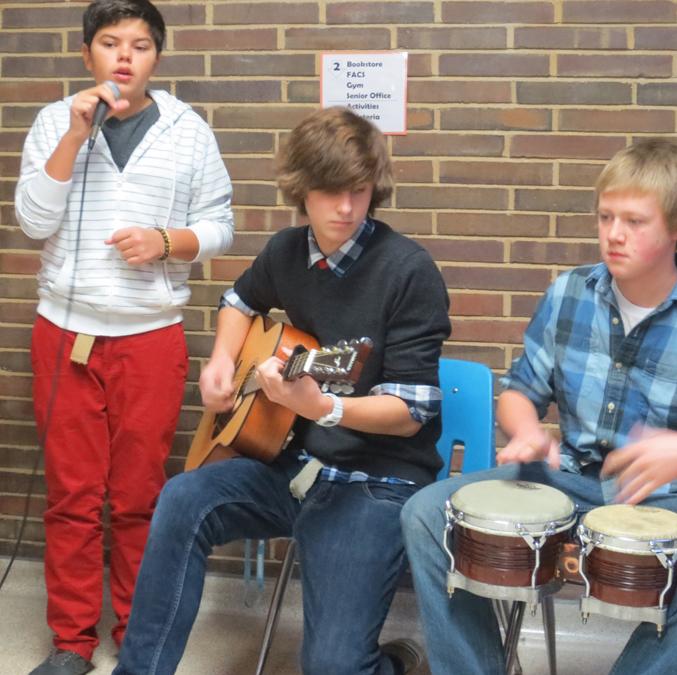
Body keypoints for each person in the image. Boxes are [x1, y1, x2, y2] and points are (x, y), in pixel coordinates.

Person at [112, 106, 451, 675]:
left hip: (378, 481)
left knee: (332, 667)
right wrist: (221, 363)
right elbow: (239, 302)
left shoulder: (409, 271)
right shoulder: (287, 250)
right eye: (329, 191)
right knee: (183, 497)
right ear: (302, 191)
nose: (345, 207)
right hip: (295, 464)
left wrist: (325, 407)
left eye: (360, 191)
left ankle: (390, 664)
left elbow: (412, 413)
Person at [400, 137, 677, 675]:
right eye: (605, 217)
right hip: (565, 477)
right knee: (428, 515)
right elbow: (522, 389)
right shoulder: (569, 293)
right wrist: (524, 426)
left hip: (661, 498)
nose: (613, 234)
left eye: (635, 221)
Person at [15, 1, 234, 673]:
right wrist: (75, 136)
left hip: (150, 338)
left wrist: (169, 241)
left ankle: (137, 632)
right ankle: (71, 642)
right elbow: (31, 219)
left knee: (139, 495)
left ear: (156, 59)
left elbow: (221, 223)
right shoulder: (56, 121)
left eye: (139, 45)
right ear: (88, 55)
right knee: (72, 497)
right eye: (110, 43)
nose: (124, 56)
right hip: (66, 335)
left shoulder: (187, 130)